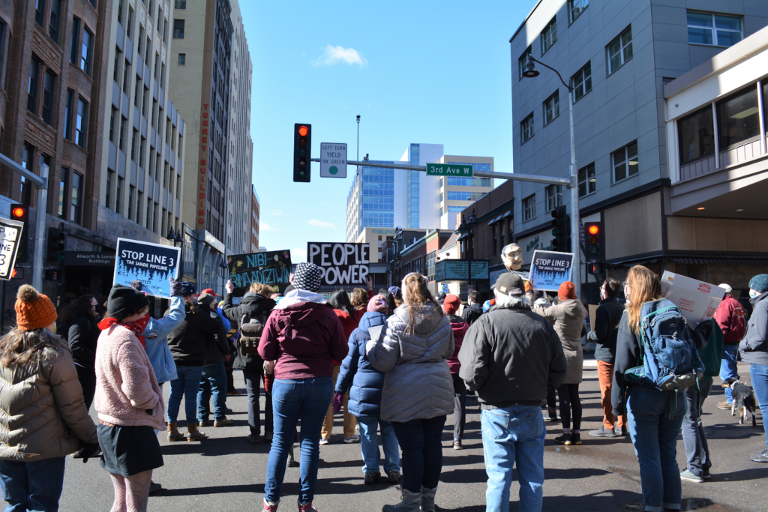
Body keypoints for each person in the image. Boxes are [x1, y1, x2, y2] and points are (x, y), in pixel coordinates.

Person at [459, 273, 566, 512]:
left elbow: (470, 374)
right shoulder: (543, 326)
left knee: (498, 479)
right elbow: (559, 371)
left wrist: (482, 387)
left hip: (496, 410)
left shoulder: (485, 324)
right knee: (533, 480)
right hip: (532, 408)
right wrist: (539, 387)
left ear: (498, 295)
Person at [0, 285, 100, 512]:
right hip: (44, 448)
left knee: (14, 504)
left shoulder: (3, 351)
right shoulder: (54, 355)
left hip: (5, 444)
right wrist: (91, 438)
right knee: (42, 505)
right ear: (47, 322)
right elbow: (73, 407)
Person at [259, 262, 348, 512]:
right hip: (319, 381)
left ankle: (270, 502)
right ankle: (305, 503)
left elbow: (265, 350)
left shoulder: (278, 312)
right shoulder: (328, 313)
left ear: (293, 281)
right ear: (317, 283)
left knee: (280, 442)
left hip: (286, 381)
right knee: (309, 442)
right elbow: (341, 351)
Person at [368, 273, 454, 512]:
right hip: (438, 385)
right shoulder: (442, 317)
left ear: (405, 293)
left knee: (413, 449)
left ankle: (410, 502)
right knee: (433, 445)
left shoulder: (396, 320)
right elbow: (448, 350)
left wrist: (369, 347)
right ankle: (428, 503)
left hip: (406, 389)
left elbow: (384, 362)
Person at [613, 265, 688, 512]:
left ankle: (653, 506)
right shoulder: (674, 310)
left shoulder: (632, 313)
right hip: (676, 392)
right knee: (668, 455)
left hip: (645, 392)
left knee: (649, 459)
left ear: (632, 288)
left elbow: (623, 363)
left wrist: (617, 404)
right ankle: (673, 505)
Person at [95, 285, 165, 512]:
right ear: (133, 312)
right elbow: (137, 391)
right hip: (130, 429)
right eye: (144, 310)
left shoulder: (107, 332)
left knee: (121, 499)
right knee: (136, 502)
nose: (147, 315)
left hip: (109, 425)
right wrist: (154, 401)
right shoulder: (126, 338)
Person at [335, 295, 401, 485]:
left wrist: (339, 390)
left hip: (364, 390)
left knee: (367, 431)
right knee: (389, 431)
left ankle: (371, 471)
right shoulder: (395, 330)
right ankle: (393, 468)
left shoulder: (358, 333)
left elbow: (348, 366)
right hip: (390, 389)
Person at [533, 281, 588, 445]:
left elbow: (539, 312)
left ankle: (565, 434)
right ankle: (576, 434)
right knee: (575, 396)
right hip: (577, 356)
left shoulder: (559, 309)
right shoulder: (582, 310)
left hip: (561, 356)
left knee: (563, 397)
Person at [166, 283, 221, 441]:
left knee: (175, 395)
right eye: (194, 295)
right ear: (189, 296)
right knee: (191, 395)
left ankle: (172, 429)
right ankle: (192, 430)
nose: (196, 297)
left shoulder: (169, 312)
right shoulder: (196, 313)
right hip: (194, 360)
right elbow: (216, 327)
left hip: (174, 360)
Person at [223, 281, 276, 443]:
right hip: (268, 359)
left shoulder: (241, 308)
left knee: (252, 396)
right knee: (270, 395)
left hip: (247, 358)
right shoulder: (271, 307)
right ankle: (269, 432)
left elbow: (226, 311)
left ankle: (254, 434)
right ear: (266, 294)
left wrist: (229, 292)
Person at [680, 320, 722, 482]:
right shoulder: (712, 322)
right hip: (707, 376)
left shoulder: (690, 321)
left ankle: (695, 467)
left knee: (689, 421)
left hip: (693, 375)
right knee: (695, 420)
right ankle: (703, 465)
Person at [587, 278, 627, 438]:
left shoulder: (602, 309)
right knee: (621, 389)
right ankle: (621, 425)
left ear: (604, 291)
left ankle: (608, 426)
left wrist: (590, 335)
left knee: (607, 391)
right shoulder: (622, 308)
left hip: (605, 355)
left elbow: (601, 334)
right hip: (620, 354)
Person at [321, 289, 358, 445]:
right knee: (348, 399)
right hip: (349, 362)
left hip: (330, 362)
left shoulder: (328, 316)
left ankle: (324, 435)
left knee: (327, 400)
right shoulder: (355, 316)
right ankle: (349, 434)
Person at [739, 274, 768, 463]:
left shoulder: (762, 305)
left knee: (765, 407)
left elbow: (759, 336)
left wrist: (742, 344)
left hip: (761, 362)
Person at [196, 293, 234, 428]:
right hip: (214, 358)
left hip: (200, 358)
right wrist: (225, 351)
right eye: (214, 303)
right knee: (218, 388)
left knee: (202, 389)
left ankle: (202, 418)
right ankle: (219, 417)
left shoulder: (195, 315)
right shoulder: (214, 316)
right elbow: (221, 338)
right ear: (210, 304)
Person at [58, 294, 100, 410]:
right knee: (79, 408)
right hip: (81, 371)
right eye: (95, 305)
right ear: (88, 307)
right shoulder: (81, 322)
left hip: (85, 370)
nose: (98, 307)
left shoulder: (87, 321)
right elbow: (75, 345)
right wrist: (96, 358)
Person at [714, 284, 747, 411]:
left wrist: (716, 341)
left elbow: (721, 325)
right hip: (734, 341)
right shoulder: (737, 303)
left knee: (727, 373)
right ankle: (736, 397)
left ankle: (731, 399)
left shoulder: (725, 304)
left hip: (726, 342)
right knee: (731, 370)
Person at [443, 294, 469, 450]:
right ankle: (457, 439)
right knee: (460, 404)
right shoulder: (465, 326)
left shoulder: (440, 325)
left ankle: (437, 435)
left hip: (444, 368)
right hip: (460, 368)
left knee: (439, 404)